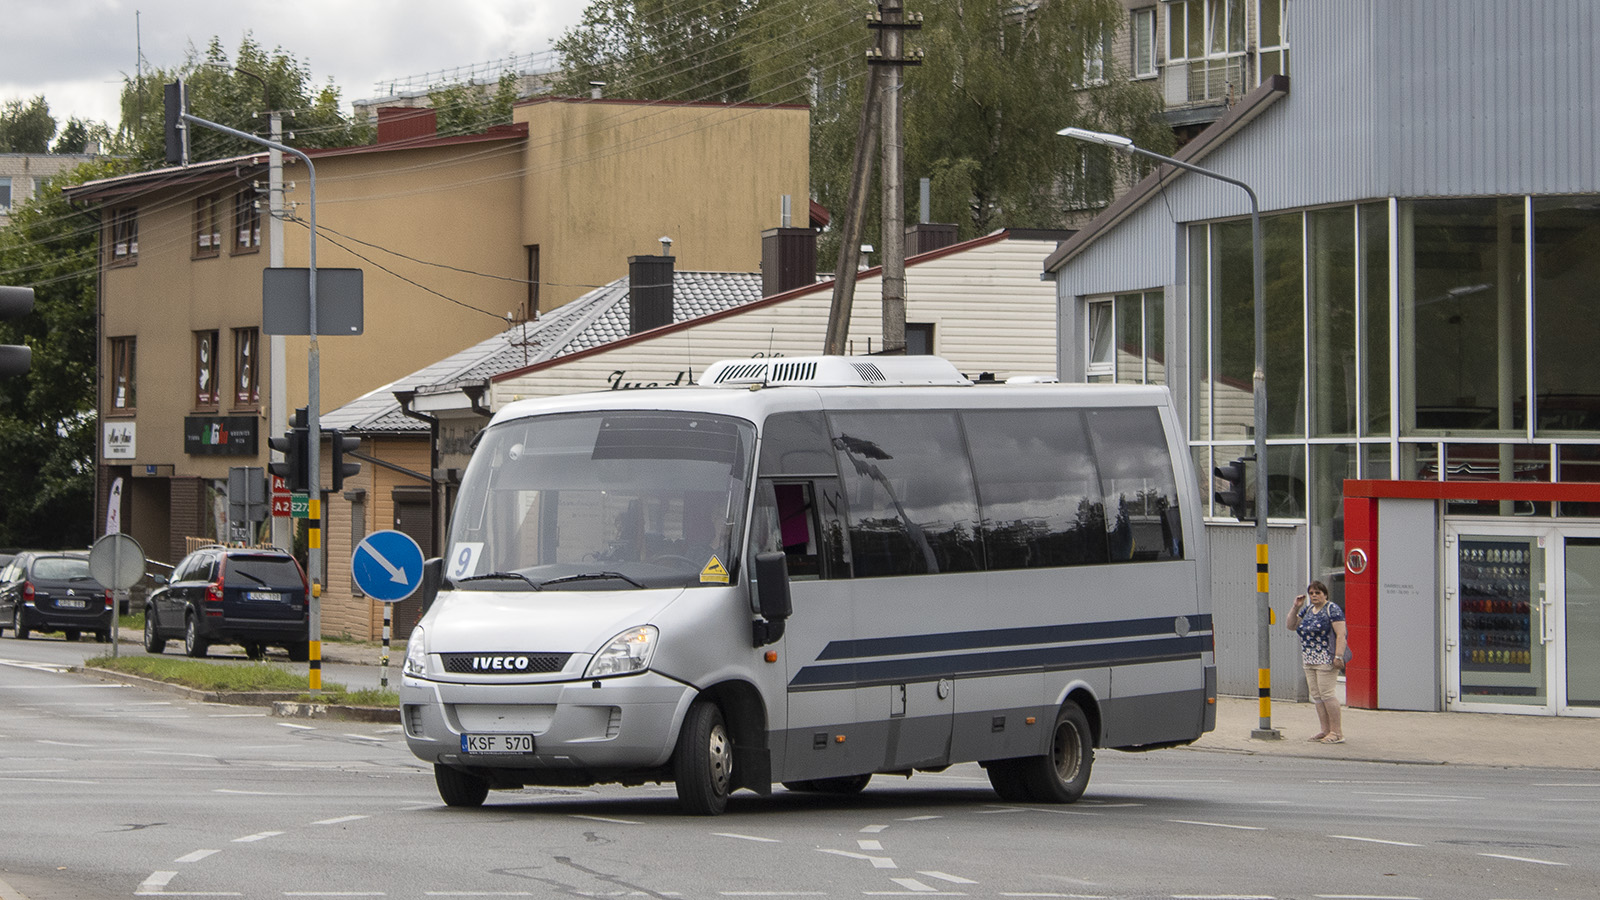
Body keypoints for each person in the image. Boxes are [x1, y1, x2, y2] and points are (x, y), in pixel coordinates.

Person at [1287, 580, 1348, 744]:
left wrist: (1338, 656)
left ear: (1325, 594)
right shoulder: (1307, 610)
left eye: (1318, 593)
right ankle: (1325, 730)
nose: (1314, 596)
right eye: (1311, 593)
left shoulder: (1332, 609)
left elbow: (1341, 634)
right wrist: (1296, 607)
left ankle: (1337, 732)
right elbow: (1291, 625)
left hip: (1326, 658)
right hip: (1309, 658)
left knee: (1327, 694)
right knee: (1317, 696)